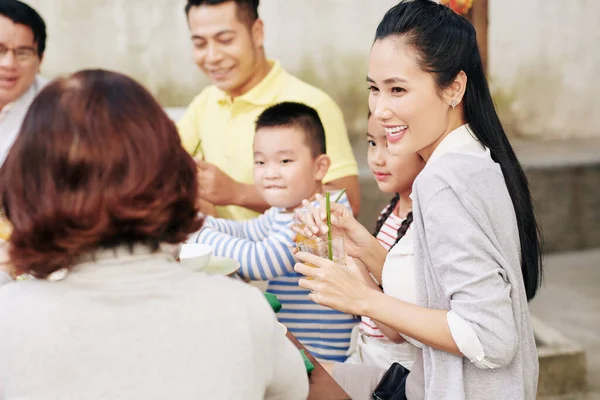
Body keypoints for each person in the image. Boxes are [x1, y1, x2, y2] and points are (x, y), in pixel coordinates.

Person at [0, 69, 308, 400]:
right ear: (170, 175)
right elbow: (294, 392)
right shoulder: (244, 309)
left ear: (28, 182)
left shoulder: (11, 319)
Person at [293, 1, 543, 399]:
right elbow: (439, 284)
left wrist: (361, 297)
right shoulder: (474, 160)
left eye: (398, 89)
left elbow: (490, 337)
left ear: (454, 87)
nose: (381, 109)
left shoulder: (442, 180)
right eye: (374, 89)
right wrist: (364, 246)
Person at [190, 101, 356, 362]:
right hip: (296, 344)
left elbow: (261, 261)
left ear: (320, 167)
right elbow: (245, 231)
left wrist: (198, 235)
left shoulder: (319, 215)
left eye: (285, 161)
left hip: (322, 354)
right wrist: (194, 223)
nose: (270, 173)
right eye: (260, 161)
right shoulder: (286, 209)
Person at [177, 0, 360, 220]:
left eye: (225, 40)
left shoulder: (312, 104)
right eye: (199, 44)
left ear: (257, 32)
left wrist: (237, 192)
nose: (212, 56)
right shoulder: (206, 102)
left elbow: (347, 203)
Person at [342, 111, 424, 370]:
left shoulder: (421, 225)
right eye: (371, 143)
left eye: (389, 143)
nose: (377, 158)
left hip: (396, 367)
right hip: (368, 351)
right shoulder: (390, 212)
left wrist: (353, 263)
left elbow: (396, 330)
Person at [0, 0, 47, 165]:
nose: (9, 64)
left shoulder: (61, 107)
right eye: (0, 50)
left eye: (23, 54)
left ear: (40, 60)